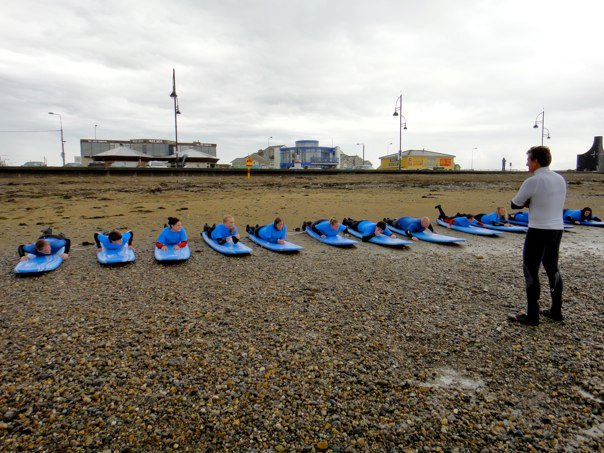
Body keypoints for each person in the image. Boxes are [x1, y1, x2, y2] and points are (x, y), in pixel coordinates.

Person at [509, 146, 566, 326]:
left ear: (536, 161)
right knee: (552, 269)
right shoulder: (560, 179)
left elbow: (514, 204)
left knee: (531, 270)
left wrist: (528, 201)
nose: (527, 163)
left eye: (528, 160)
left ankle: (532, 316)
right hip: (557, 228)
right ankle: (556, 311)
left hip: (538, 229)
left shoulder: (533, 181)